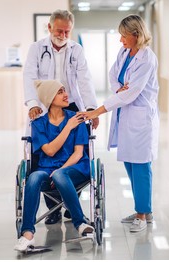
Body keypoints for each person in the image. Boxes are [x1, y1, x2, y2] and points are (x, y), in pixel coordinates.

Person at [77, 14, 159, 233]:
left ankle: (143, 215)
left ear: (136, 35)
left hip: (141, 118)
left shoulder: (147, 58)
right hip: (127, 115)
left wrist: (97, 111)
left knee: (141, 166)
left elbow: (131, 93)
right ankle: (143, 209)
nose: (120, 40)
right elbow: (114, 76)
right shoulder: (125, 52)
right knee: (130, 164)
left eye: (124, 36)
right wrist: (118, 88)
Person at [23, 9, 99, 224]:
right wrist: (32, 104)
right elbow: (29, 75)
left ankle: (69, 200)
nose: (63, 35)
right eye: (59, 31)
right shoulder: (37, 49)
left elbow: (85, 79)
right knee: (45, 155)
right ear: (49, 28)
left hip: (72, 104)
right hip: (44, 104)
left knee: (76, 150)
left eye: (67, 31)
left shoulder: (77, 50)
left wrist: (91, 108)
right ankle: (53, 208)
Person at [14, 80, 94, 252]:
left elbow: (78, 153)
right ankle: (27, 233)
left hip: (75, 167)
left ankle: (79, 222)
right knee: (34, 177)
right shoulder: (38, 123)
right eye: (60, 92)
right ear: (49, 98)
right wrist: (68, 128)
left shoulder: (76, 118)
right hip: (46, 168)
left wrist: (60, 169)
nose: (66, 94)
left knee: (59, 175)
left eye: (65, 90)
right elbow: (49, 151)